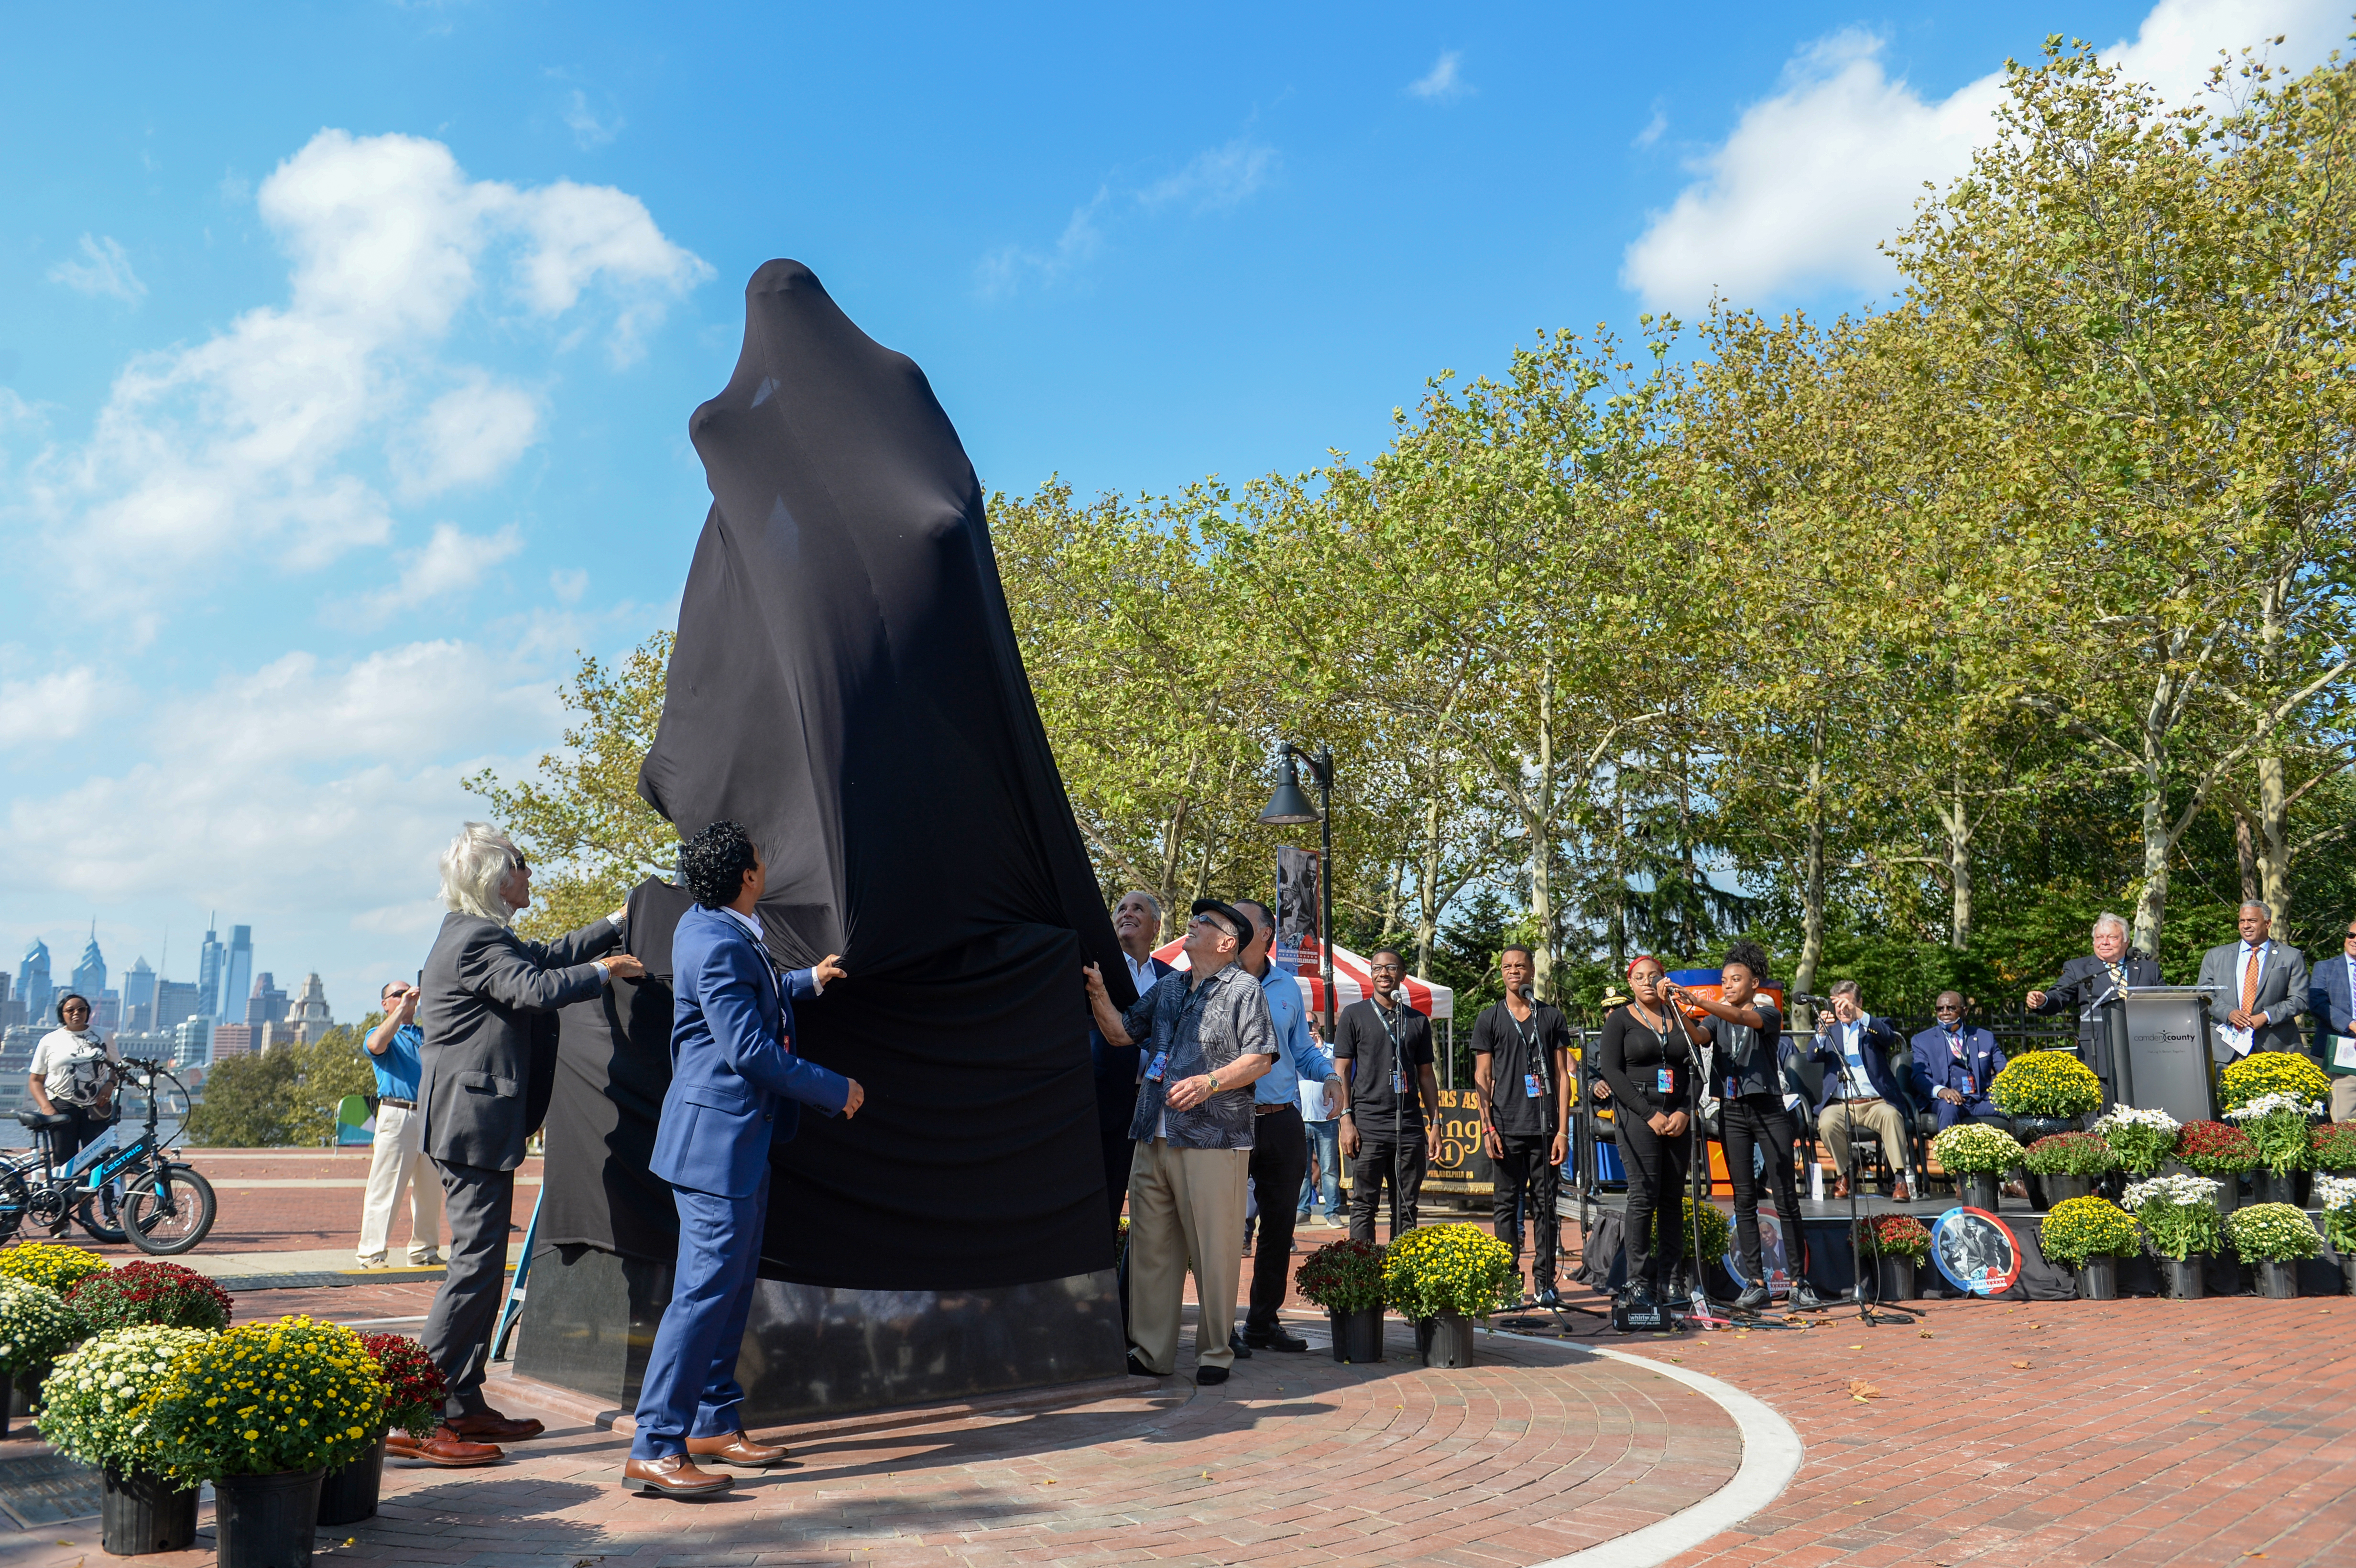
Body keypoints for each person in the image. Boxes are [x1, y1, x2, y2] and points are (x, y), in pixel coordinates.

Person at [624, 821, 861, 1497]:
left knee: (725, 1291)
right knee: (702, 1297)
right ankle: (656, 1446)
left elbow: (744, 1005)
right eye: (761, 858)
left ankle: (712, 1424)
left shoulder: (713, 928)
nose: (766, 864)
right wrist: (835, 1089)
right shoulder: (720, 941)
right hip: (715, 1148)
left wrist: (804, 983)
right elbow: (748, 1050)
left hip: (735, 1144)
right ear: (750, 877)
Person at [416, 822, 643, 1466]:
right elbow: (537, 988)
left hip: (474, 1120)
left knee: (483, 1268)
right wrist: (605, 970)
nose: (530, 873)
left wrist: (614, 921)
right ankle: (420, 1410)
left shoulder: (477, 936)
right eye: (522, 862)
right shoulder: (476, 939)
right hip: (471, 1123)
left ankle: (463, 1402)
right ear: (494, 875)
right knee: (473, 1269)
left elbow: (543, 958)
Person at [1085, 899, 1276, 1387]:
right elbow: (1120, 1033)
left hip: (1212, 1138)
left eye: (1203, 923)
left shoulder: (1244, 989)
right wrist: (1099, 991)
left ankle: (1214, 1352)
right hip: (1152, 1132)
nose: (1191, 926)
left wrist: (1209, 1083)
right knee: (1150, 1248)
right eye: (1191, 920)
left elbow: (1259, 1059)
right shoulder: (1169, 986)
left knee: (1212, 1250)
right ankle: (1151, 1351)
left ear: (1227, 941)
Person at [1668, 941, 1820, 1311]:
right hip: (1732, 1110)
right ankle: (1756, 1282)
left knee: (1784, 1196)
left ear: (1755, 984)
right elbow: (1699, 1036)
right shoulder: (1717, 1017)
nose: (1729, 985)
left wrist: (1697, 1001)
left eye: (1737, 979)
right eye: (1724, 980)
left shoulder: (1767, 1014)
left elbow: (1741, 1019)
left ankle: (1800, 1283)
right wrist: (1675, 1007)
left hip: (1768, 1109)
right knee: (1744, 1198)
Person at [1229, 898, 1341, 1354]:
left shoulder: (1289, 988)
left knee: (1279, 1230)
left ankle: (1262, 1323)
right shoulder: (1214, 980)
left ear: (1267, 935)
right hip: (1228, 1121)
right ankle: (1219, 1328)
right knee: (1223, 1230)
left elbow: (1302, 1053)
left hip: (1282, 1121)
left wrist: (1331, 1077)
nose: (1230, 929)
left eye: (1241, 923)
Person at [1592, 956, 1698, 1310]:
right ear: (1631, 984)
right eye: (1640, 977)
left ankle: (1672, 1278)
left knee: (1672, 1198)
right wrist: (1648, 1114)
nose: (1648, 981)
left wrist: (1685, 1110)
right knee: (1644, 1196)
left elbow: (1696, 1068)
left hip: (1677, 1115)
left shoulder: (1678, 1019)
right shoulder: (1621, 1020)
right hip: (1639, 1114)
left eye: (1654, 976)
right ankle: (1638, 1281)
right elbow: (1612, 1071)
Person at [1472, 946, 1572, 1307]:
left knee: (1546, 1207)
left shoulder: (1551, 1017)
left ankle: (1545, 1284)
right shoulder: (1489, 1019)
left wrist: (1563, 1130)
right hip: (1505, 1125)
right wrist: (1487, 1128)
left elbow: (1562, 1076)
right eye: (1507, 967)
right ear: (1502, 973)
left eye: (1520, 966)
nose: (1513, 972)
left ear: (1532, 972)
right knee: (1505, 1206)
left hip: (1545, 1128)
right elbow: (1483, 1075)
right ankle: (1508, 1284)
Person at [1333, 949, 1439, 1243]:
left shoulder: (1417, 1020)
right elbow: (1340, 1071)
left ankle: (1400, 1276)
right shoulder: (1354, 1015)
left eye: (1391, 968)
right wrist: (1346, 1120)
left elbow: (1427, 1076)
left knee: (1406, 1207)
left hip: (1409, 1125)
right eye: (1377, 968)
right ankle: (1363, 1278)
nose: (1383, 973)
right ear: (1371, 974)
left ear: (1403, 976)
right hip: (1367, 1123)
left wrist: (1436, 1124)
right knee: (1364, 1204)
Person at [1091, 890, 1176, 1231]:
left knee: (1154, 1217)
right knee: (1102, 1210)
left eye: (1137, 909)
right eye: (1121, 909)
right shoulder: (1096, 971)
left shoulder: (1173, 979)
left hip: (1159, 1111)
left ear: (1156, 926)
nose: (1127, 913)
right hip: (1103, 1104)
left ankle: (1131, 1285)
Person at [356, 979, 446, 1269]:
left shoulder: (424, 1034)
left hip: (431, 1116)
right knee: (386, 1188)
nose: (407, 997)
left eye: (410, 992)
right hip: (398, 1115)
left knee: (431, 1191)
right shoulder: (383, 1033)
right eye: (398, 994)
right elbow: (375, 1045)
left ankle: (425, 1251)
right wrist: (403, 1009)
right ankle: (372, 1254)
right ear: (386, 1004)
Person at [1807, 980, 1916, 1202]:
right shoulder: (1830, 1031)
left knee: (1892, 1117)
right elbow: (1812, 1056)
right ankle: (1845, 1174)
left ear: (1859, 1003)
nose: (1842, 1010)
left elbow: (1887, 1036)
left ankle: (1900, 1178)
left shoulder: (1875, 1025)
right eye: (1838, 1005)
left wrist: (1859, 1015)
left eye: (1847, 1004)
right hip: (1841, 1104)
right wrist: (1820, 1033)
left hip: (1876, 1102)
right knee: (1826, 1123)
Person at [2026, 913, 2161, 1087]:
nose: (2104, 942)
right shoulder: (2079, 968)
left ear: (2126, 942)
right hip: (2099, 1057)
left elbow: (2164, 1003)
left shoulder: (2148, 968)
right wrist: (2043, 1000)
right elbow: (2059, 996)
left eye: (2112, 937)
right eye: (2099, 937)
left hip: (2144, 1054)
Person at [2194, 902, 2310, 1060]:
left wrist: (2266, 1016)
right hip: (2226, 1050)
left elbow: (2300, 1000)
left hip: (2275, 1048)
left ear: (2268, 923)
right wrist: (2228, 1013)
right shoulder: (2216, 956)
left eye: (2252, 921)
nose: (2246, 926)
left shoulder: (2291, 956)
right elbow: (2204, 994)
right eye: (2242, 921)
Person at [28, 992, 120, 1169]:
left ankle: (105, 1197)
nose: (76, 1013)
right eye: (70, 1010)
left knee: (102, 1163)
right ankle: (64, 1197)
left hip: (97, 1107)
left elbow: (118, 1067)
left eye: (81, 1009)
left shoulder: (104, 1035)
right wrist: (48, 1108)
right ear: (62, 1014)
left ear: (88, 1012)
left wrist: (110, 1084)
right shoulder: (49, 1040)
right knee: (64, 1164)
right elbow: (35, 1080)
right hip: (61, 1108)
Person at [1909, 993, 2008, 1132]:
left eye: (1951, 1008)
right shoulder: (1922, 1041)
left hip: (1981, 1099)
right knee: (1949, 1106)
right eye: (1940, 1009)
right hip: (1947, 1101)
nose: (1945, 1012)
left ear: (1965, 1011)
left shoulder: (1984, 1037)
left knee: (2016, 1108)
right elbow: (1919, 1077)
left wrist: (2004, 1089)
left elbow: (2005, 1070)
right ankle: (1948, 1153)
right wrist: (1942, 1091)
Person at [2306, 915, 2356, 1122]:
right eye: (2351, 935)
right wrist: (2351, 1025)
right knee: (2343, 1119)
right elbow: (2318, 1004)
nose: (2354, 940)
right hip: (2342, 1055)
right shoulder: (2325, 967)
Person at [1296, 1013, 1342, 1227]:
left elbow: (1338, 1069)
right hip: (1301, 1119)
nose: (1309, 1028)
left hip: (1326, 1120)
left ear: (1318, 1025)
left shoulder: (1330, 1050)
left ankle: (1332, 1212)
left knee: (1329, 1169)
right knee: (1302, 1170)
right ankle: (1303, 1210)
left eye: (1311, 1023)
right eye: (1304, 1024)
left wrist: (1320, 1047)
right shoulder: (1296, 1049)